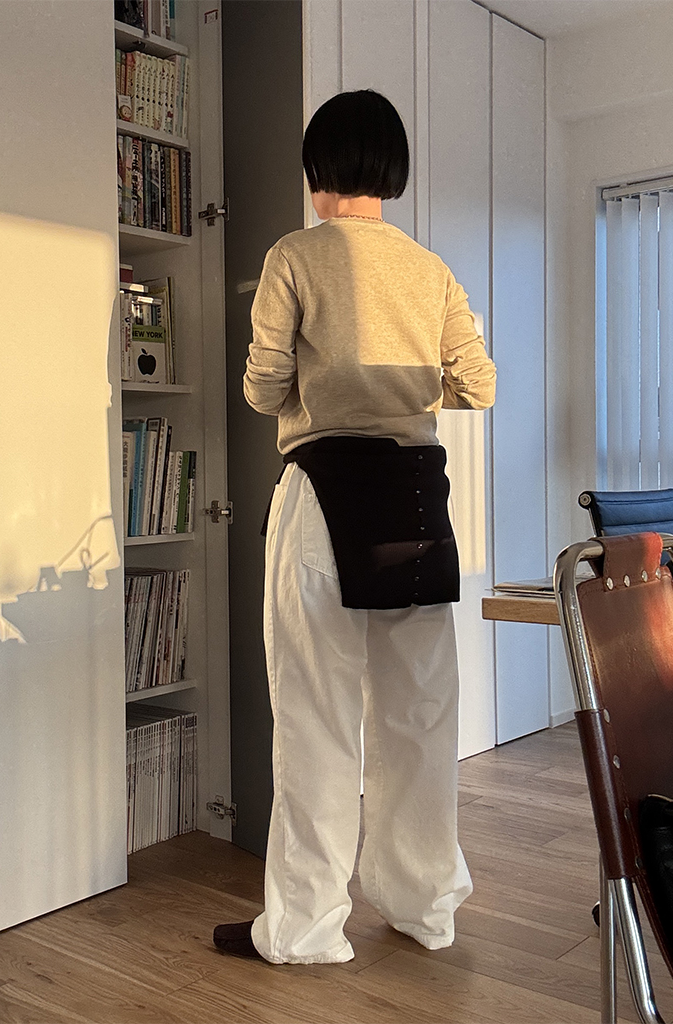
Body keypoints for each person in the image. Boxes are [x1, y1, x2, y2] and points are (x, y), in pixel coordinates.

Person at [213, 89, 497, 965]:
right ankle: (423, 905)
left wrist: (327, 384)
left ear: (316, 169)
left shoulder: (294, 256)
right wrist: (401, 387)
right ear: (392, 171)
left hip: (322, 496)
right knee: (421, 717)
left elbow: (264, 388)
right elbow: (478, 384)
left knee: (315, 720)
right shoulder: (431, 269)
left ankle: (304, 929)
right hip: (415, 499)